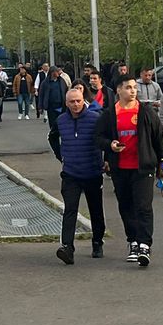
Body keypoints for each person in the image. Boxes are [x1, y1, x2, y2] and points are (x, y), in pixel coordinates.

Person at [94, 73, 163, 267]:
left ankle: (145, 244)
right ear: (118, 89)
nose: (133, 91)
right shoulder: (110, 114)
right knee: (126, 206)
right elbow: (98, 137)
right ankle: (133, 241)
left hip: (143, 167)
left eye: (134, 87)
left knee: (143, 206)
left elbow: (159, 137)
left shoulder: (145, 111)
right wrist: (110, 145)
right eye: (128, 87)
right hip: (120, 168)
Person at [53, 86, 105, 263]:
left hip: (92, 171)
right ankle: (67, 247)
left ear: (84, 101)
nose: (75, 105)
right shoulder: (61, 120)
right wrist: (61, 156)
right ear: (66, 103)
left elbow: (104, 139)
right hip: (70, 173)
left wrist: (104, 160)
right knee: (70, 209)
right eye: (72, 102)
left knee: (96, 209)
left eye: (78, 101)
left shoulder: (95, 118)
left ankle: (97, 241)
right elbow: (52, 137)